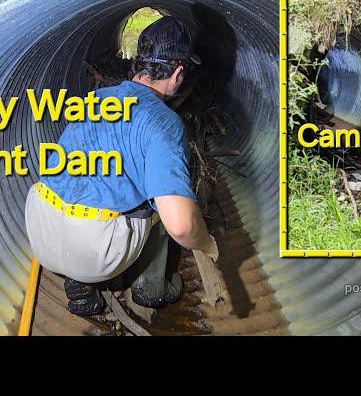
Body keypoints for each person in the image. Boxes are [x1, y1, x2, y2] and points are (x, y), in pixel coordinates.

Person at [25, 16, 219, 316]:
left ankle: (80, 286)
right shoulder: (165, 124)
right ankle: (149, 289)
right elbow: (181, 225)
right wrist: (207, 244)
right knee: (168, 204)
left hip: (39, 229)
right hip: (93, 250)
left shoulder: (95, 98)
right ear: (178, 72)